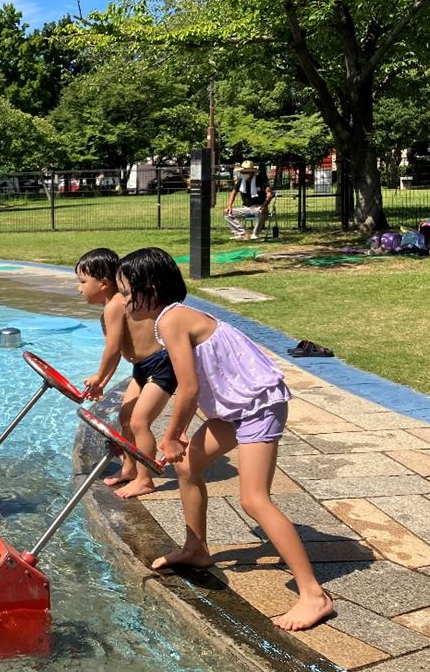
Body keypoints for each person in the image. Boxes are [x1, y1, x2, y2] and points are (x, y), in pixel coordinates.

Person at [120, 247, 334, 631]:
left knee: (253, 500)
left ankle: (314, 595)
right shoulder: (172, 318)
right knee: (188, 466)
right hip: (235, 410)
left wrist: (170, 436)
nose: (123, 301)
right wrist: (182, 434)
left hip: (258, 407)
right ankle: (196, 549)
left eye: (126, 292)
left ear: (149, 289)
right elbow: (201, 381)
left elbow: (187, 387)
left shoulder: (171, 320)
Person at [75, 247, 175, 499]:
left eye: (83, 282)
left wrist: (99, 377)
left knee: (139, 422)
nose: (79, 288)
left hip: (161, 364)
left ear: (104, 283)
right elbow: (119, 351)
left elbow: (111, 349)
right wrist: (102, 384)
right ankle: (130, 468)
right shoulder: (113, 307)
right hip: (142, 368)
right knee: (125, 417)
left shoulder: (116, 305)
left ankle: (145, 479)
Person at [224, 160, 274, 239]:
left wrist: (265, 205)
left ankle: (255, 234)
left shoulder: (260, 180)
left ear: (251, 172)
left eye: (245, 172)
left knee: (262, 213)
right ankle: (241, 234)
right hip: (246, 207)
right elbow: (233, 192)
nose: (243, 174)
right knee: (227, 213)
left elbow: (269, 193)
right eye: (242, 172)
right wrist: (229, 206)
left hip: (259, 207)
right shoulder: (241, 181)